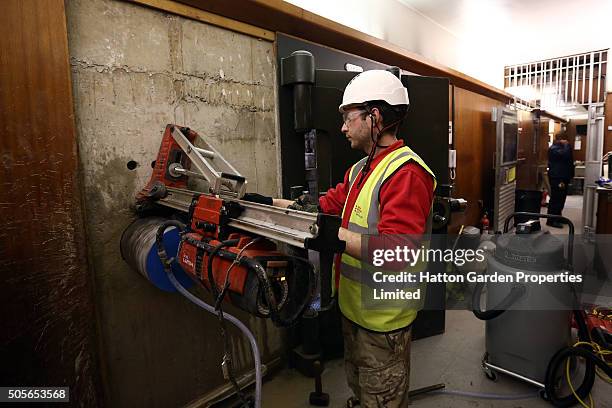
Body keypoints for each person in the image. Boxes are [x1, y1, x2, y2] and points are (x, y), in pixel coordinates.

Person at [244, 70, 436, 407]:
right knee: (361, 388)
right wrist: (267, 205)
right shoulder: (361, 168)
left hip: (383, 319)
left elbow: (399, 252)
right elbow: (320, 207)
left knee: (383, 399)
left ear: (374, 117)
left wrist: (332, 235)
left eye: (349, 117)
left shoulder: (406, 174)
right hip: (354, 311)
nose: (343, 127)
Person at [547, 134, 574, 228]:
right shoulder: (554, 148)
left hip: (563, 176)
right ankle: (551, 220)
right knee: (556, 198)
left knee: (561, 198)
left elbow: (568, 159)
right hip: (557, 177)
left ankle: (557, 217)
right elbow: (565, 155)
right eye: (564, 140)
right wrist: (566, 145)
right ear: (560, 139)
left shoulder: (562, 148)